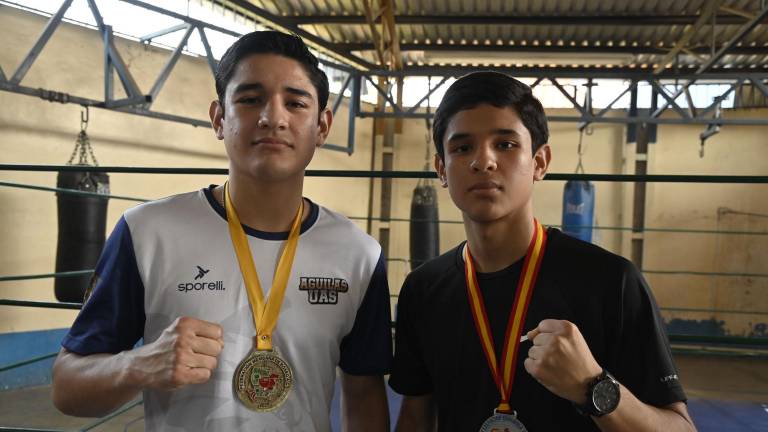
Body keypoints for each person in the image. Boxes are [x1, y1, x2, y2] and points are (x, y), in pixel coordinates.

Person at [52, 31, 392, 432]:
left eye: (296, 103)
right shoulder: (147, 233)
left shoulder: (359, 255)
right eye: (250, 100)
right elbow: (66, 388)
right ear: (218, 118)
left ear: (322, 125)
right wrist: (138, 365)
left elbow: (364, 394)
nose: (273, 118)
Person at [389, 72, 696, 432]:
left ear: (540, 162)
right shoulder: (423, 290)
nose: (483, 161)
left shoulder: (612, 282)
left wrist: (593, 386)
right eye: (462, 147)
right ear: (441, 169)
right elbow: (415, 418)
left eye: (505, 144)